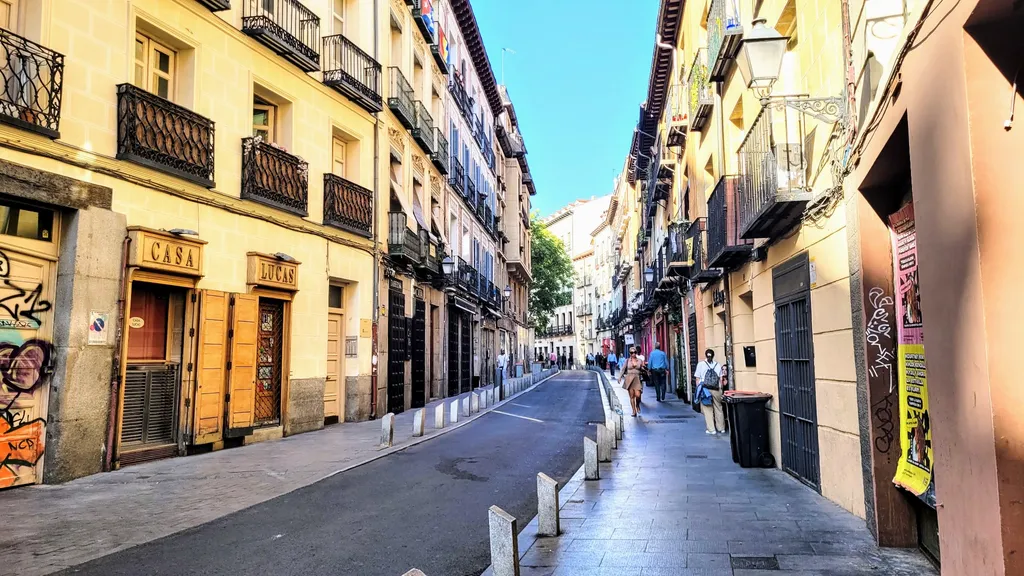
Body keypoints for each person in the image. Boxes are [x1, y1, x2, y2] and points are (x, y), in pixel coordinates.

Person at [694, 348, 726, 434]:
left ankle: (711, 429)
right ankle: (721, 428)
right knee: (718, 408)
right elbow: (721, 379)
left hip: (705, 389)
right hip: (716, 389)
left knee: (708, 409)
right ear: (713, 355)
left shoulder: (701, 364)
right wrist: (721, 389)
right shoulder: (718, 365)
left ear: (705, 355)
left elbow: (697, 379)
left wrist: (699, 390)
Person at [621, 346, 646, 417]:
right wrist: (620, 377)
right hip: (629, 379)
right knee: (632, 396)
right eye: (632, 353)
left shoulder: (640, 361)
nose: (633, 354)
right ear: (629, 353)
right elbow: (623, 369)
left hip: (637, 379)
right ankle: (634, 411)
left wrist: (644, 369)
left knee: (638, 395)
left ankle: (637, 405)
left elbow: (642, 368)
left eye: (635, 352)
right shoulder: (627, 360)